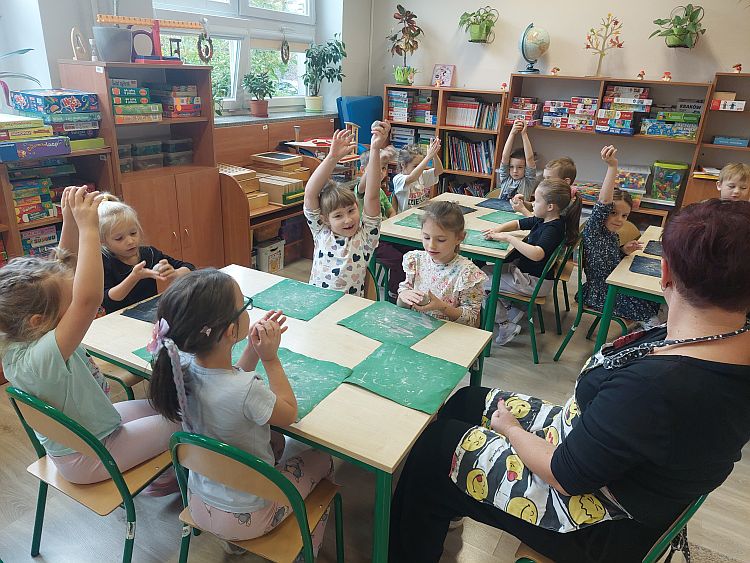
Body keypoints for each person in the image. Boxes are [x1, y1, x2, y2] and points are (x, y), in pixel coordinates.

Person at [389, 198, 750, 563]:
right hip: (602, 457)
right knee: (465, 401)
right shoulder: (721, 340)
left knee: (431, 452)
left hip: (594, 522)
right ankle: (451, 501)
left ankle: (420, 529)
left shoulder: (658, 386)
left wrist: (512, 430)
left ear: (665, 271)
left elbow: (564, 474)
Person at [0, 186, 179, 489]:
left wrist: (70, 219)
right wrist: (90, 229)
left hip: (94, 429)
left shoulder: (19, 333)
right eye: (67, 301)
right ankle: (169, 482)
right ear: (38, 321)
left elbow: (62, 267)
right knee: (186, 422)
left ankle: (163, 467)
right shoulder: (41, 356)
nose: (74, 300)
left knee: (168, 407)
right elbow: (88, 300)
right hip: (91, 454)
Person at [147, 269, 335, 557]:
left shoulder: (180, 371)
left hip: (199, 504)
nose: (248, 309)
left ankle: (233, 543)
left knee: (276, 442)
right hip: (251, 515)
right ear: (230, 331)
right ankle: (305, 553)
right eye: (244, 305)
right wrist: (270, 359)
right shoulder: (248, 390)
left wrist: (252, 349)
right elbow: (288, 412)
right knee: (323, 459)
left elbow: (230, 382)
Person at [483, 179, 581, 345]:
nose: (532, 204)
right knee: (483, 271)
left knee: (478, 282)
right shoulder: (545, 219)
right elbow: (518, 223)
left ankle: (505, 325)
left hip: (533, 282)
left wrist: (508, 238)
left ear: (550, 207)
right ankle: (510, 309)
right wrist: (497, 230)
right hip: (528, 275)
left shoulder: (552, 229)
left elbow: (537, 254)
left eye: (536, 200)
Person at [304, 123, 386, 296]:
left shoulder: (365, 237)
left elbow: (372, 196)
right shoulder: (321, 231)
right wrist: (332, 157)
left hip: (350, 307)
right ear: (325, 219)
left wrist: (375, 149)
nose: (348, 220)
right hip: (318, 303)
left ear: (358, 207)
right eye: (338, 216)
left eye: (351, 211)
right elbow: (310, 193)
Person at [581, 146, 660, 325]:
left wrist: (623, 250)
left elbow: (609, 257)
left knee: (653, 300)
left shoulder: (612, 235)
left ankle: (644, 323)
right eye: (613, 213)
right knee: (650, 311)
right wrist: (612, 167)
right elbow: (603, 202)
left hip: (614, 285)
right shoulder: (595, 229)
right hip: (601, 292)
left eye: (624, 216)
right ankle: (646, 328)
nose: (619, 219)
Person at [396, 201, 487, 327]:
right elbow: (402, 304)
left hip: (449, 333)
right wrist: (403, 296)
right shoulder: (416, 261)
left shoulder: (468, 274)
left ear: (459, 238)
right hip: (416, 328)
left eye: (441, 240)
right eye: (426, 237)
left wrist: (442, 307)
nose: (431, 245)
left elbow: (472, 321)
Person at [98, 195, 194, 313]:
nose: (130, 241)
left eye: (133, 233)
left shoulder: (149, 253)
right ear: (103, 241)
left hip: (147, 313)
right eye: (119, 238)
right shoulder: (104, 261)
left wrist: (174, 273)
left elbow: (190, 267)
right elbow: (107, 300)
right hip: (118, 318)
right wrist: (134, 277)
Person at [357, 145, 409, 301]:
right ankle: (394, 293)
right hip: (371, 242)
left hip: (386, 235)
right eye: (376, 168)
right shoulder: (361, 189)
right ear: (363, 170)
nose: (380, 172)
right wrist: (378, 159)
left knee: (412, 251)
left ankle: (409, 287)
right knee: (399, 260)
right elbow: (363, 186)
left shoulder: (380, 191)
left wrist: (391, 222)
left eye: (384, 168)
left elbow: (391, 211)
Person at [511, 156, 577, 217]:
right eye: (544, 178)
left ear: (566, 181)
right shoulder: (550, 193)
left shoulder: (563, 200)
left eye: (549, 178)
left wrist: (523, 210)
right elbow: (534, 206)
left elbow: (540, 223)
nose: (544, 182)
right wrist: (522, 203)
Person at [392, 139, 444, 213]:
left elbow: (439, 171)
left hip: (421, 212)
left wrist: (434, 154)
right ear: (403, 164)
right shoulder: (398, 179)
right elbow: (412, 178)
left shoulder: (420, 175)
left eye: (421, 165)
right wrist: (428, 157)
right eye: (416, 166)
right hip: (406, 215)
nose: (420, 168)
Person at [496, 119, 537, 201]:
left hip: (518, 209)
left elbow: (529, 159)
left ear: (526, 168)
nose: (515, 171)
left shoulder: (528, 181)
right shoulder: (506, 178)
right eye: (511, 167)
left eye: (520, 167)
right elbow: (504, 157)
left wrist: (524, 134)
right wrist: (512, 133)